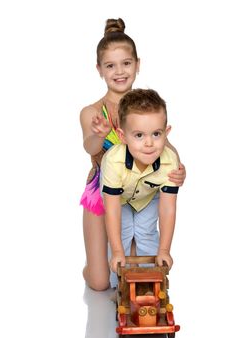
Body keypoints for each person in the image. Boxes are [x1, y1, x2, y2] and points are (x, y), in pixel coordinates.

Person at [79, 18, 186, 291]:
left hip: (140, 192)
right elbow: (90, 147)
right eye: (110, 65)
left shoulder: (145, 105)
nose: (119, 71)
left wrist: (178, 166)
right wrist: (99, 136)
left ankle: (130, 248)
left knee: (138, 269)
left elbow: (163, 143)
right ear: (99, 70)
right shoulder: (92, 112)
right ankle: (91, 267)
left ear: (137, 65)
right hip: (106, 191)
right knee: (102, 282)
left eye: (126, 63)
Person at [101, 88, 178, 277]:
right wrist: (118, 252)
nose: (149, 143)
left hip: (148, 197)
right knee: (123, 232)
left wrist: (164, 250)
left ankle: (150, 280)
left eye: (156, 134)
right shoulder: (113, 160)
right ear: (122, 136)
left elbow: (167, 208)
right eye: (139, 135)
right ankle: (120, 285)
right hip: (119, 199)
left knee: (146, 233)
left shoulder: (170, 161)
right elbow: (112, 209)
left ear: (166, 132)